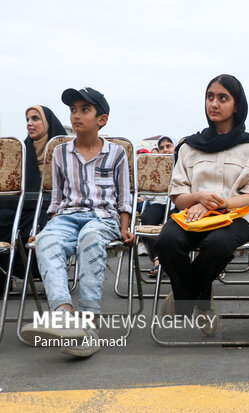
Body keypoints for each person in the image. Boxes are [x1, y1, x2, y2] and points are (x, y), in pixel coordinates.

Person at [21, 87, 135, 357]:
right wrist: (47, 229)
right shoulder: (59, 153)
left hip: (103, 217)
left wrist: (124, 227)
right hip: (67, 216)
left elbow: (124, 198)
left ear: (101, 119)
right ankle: (64, 315)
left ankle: (89, 321)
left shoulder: (116, 153)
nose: (77, 115)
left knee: (91, 238)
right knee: (47, 240)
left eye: (85, 110)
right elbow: (57, 199)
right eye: (73, 110)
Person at [156, 74, 249, 334]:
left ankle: (184, 302)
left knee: (218, 244)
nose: (214, 104)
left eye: (223, 98)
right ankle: (202, 302)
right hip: (191, 214)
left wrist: (216, 204)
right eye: (210, 97)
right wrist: (198, 198)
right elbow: (178, 196)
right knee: (167, 242)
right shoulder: (188, 147)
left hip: (237, 217)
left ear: (237, 105)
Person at [0, 106, 66, 282]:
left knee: (42, 222)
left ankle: (46, 271)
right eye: (27, 120)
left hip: (52, 209)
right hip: (20, 207)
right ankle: (4, 273)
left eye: (35, 118)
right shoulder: (19, 153)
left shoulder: (64, 151)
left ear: (47, 123)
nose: (29, 123)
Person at [139, 135, 176, 276]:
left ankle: (171, 261)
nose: (165, 150)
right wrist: (150, 180)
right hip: (159, 202)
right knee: (146, 217)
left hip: (177, 204)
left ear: (175, 147)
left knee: (173, 222)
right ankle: (157, 259)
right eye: (161, 148)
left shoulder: (182, 163)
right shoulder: (155, 166)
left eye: (168, 146)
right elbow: (147, 195)